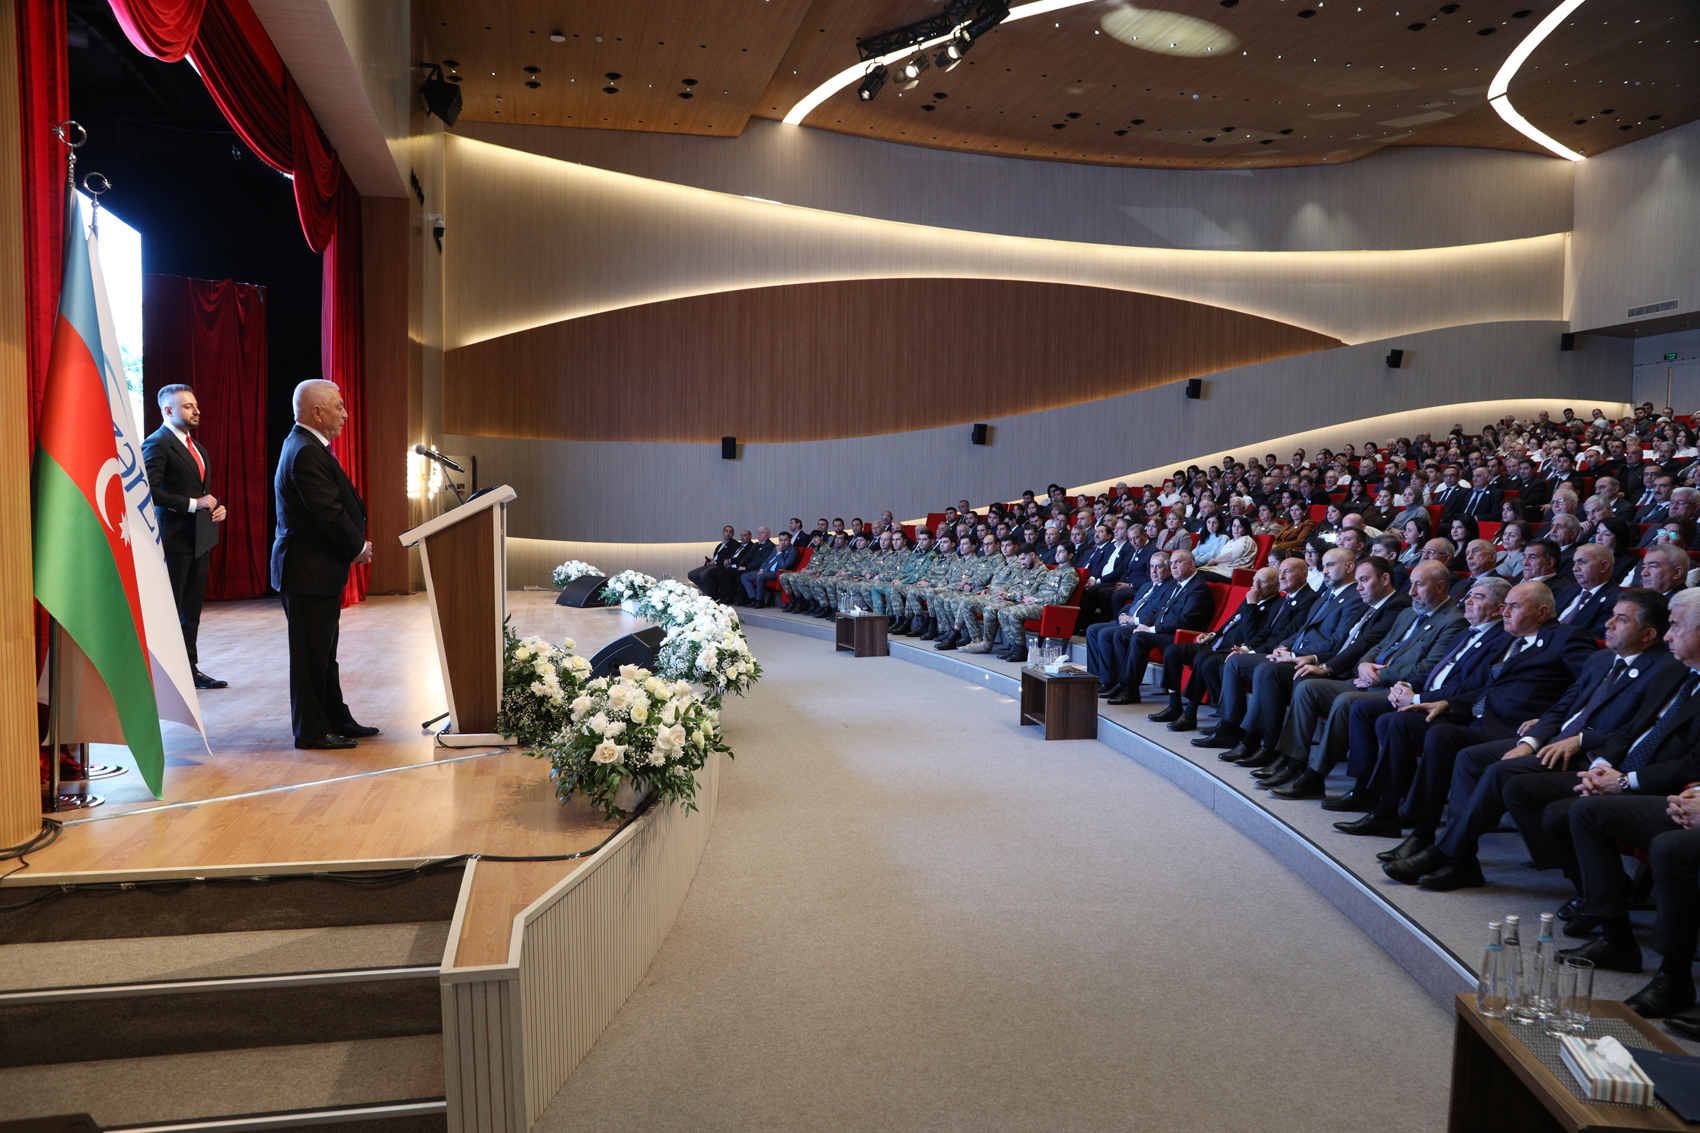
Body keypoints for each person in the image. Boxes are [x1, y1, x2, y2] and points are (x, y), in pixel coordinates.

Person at [270, 380, 376, 750]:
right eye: (340, 407)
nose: (346, 414)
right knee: (310, 658)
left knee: (323, 655)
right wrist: (358, 546)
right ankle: (312, 731)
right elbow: (327, 514)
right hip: (306, 571)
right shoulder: (304, 450)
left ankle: (336, 718)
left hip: (314, 571)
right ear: (317, 411)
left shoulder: (308, 445)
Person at [143, 384, 229, 690]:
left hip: (199, 540)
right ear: (168, 411)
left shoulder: (198, 448)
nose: (197, 410)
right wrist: (195, 505)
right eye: (188, 406)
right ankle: (164, 676)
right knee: (172, 611)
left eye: (195, 404)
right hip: (173, 541)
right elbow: (149, 491)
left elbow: (202, 494)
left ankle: (189, 670)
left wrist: (215, 507)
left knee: (191, 611)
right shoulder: (157, 444)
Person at [740, 532, 798, 607]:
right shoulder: (776, 548)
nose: (783, 543)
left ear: (790, 540)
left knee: (760, 576)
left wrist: (779, 553)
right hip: (767, 570)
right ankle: (753, 598)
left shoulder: (792, 552)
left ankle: (760, 601)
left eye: (785, 540)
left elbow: (784, 567)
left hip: (777, 572)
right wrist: (761, 569)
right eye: (781, 540)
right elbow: (767, 560)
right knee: (744, 576)